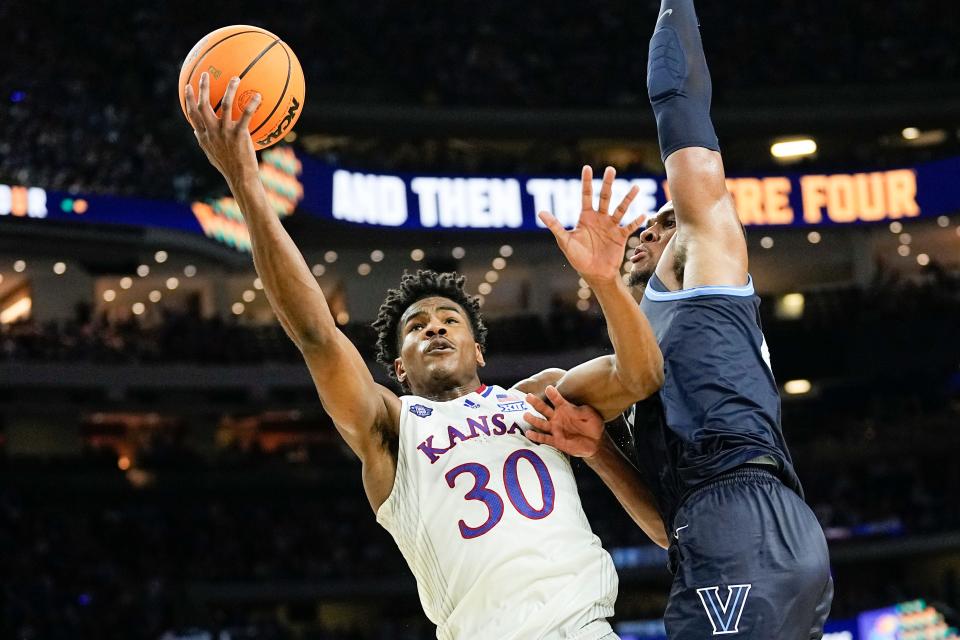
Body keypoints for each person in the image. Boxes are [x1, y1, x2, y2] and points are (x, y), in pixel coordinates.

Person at [183, 72, 665, 640]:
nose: (434, 328)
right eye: (417, 327)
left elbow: (641, 374)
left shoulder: (541, 398)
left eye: (449, 321)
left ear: (478, 349)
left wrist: (606, 283)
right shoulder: (391, 428)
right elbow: (315, 335)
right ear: (398, 368)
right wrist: (245, 183)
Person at [523, 1, 833, 638]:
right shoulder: (644, 348)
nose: (644, 232)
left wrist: (674, 7)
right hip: (729, 531)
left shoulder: (702, 262)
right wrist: (601, 452)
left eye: (657, 222)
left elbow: (682, 111)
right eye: (642, 227)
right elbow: (670, 527)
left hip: (742, 519)